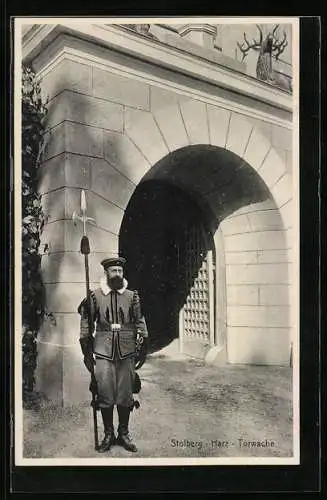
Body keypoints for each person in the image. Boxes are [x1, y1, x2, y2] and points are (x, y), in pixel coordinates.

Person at [78, 256, 148, 453]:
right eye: (113, 271)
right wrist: (85, 346)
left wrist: (144, 343)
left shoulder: (132, 296)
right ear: (106, 273)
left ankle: (123, 433)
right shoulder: (94, 297)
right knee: (105, 394)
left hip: (126, 351)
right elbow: (86, 322)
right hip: (103, 351)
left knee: (125, 394)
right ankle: (108, 434)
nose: (117, 274)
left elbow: (139, 320)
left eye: (120, 271)